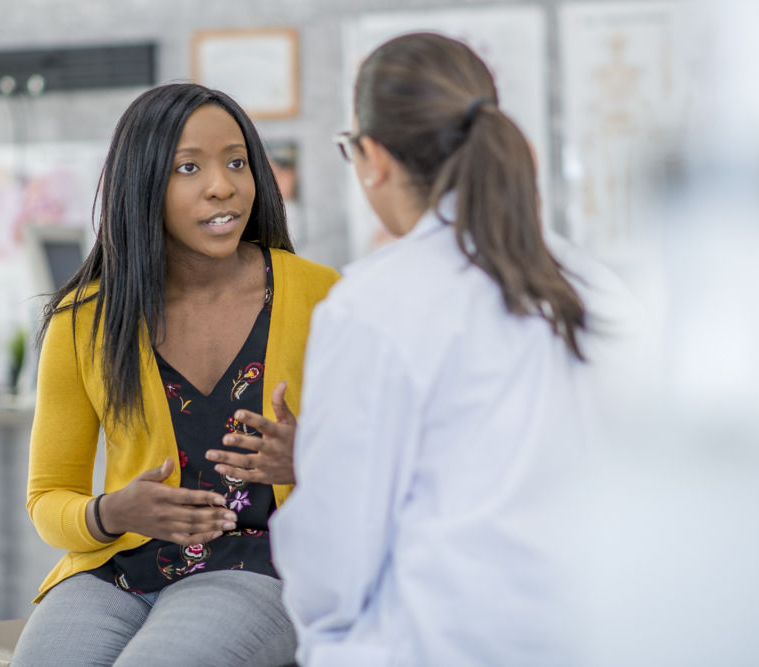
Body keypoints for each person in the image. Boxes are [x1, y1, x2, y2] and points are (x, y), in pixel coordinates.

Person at [267, 33, 635, 666]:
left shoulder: (373, 304)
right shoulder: (594, 289)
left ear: (373, 158)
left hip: (436, 643)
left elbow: (333, 560)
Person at [11, 82, 339, 666]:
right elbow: (47, 497)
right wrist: (112, 512)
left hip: (261, 564)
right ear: (143, 185)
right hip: (116, 570)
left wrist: (307, 460)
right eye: (189, 167)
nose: (223, 185)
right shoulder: (83, 318)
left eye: (237, 161)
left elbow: (391, 471)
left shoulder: (324, 298)